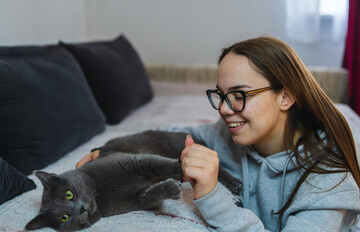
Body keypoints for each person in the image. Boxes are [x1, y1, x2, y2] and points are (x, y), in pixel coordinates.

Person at [76, 36, 360, 231]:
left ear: (285, 97)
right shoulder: (224, 138)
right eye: (220, 95)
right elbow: (170, 136)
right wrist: (113, 150)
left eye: (238, 95)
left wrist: (211, 194)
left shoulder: (327, 178)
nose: (224, 109)